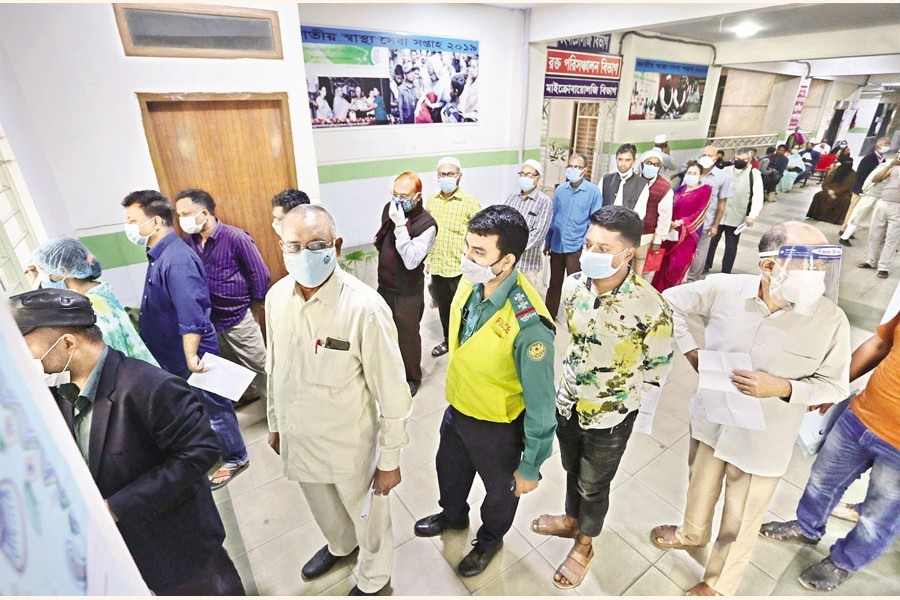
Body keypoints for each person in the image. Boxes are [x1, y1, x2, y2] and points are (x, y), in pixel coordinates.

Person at [649, 222, 851, 596]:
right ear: (769, 266)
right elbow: (671, 301)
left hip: (764, 438)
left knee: (741, 517)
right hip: (713, 417)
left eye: (822, 266)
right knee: (700, 485)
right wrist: (692, 348)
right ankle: (692, 532)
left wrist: (786, 388)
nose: (817, 276)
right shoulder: (725, 289)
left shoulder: (830, 320)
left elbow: (835, 384)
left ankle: (719, 583)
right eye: (807, 264)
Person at [10, 289, 245, 595]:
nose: (25, 361)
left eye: (27, 349)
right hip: (133, 556)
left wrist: (116, 507)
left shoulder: (150, 387)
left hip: (183, 553)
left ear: (68, 342)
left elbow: (197, 456)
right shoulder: (64, 395)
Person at [265, 205, 412, 596]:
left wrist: (390, 460)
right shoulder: (277, 297)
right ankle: (341, 547)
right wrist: (276, 423)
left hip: (350, 444)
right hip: (300, 436)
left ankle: (374, 578)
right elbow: (273, 366)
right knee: (324, 509)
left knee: (369, 518)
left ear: (338, 246)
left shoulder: (364, 308)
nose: (304, 254)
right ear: (281, 247)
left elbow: (394, 394)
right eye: (293, 246)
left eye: (316, 245)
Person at [530, 206, 674, 589]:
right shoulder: (576, 286)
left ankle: (585, 543)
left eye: (602, 247)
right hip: (569, 401)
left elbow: (658, 366)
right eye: (588, 244)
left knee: (594, 484)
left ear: (628, 253)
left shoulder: (651, 306)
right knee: (572, 469)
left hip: (610, 414)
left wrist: (618, 395)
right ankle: (572, 519)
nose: (589, 253)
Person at [413, 205, 557, 577]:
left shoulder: (530, 326)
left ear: (507, 260)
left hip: (497, 426)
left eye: (479, 252)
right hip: (457, 409)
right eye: (467, 247)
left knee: (498, 495)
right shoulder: (470, 280)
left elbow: (542, 404)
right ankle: (453, 516)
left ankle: (490, 539)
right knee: (449, 473)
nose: (468, 258)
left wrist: (532, 464)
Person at [758, 293, 900, 592]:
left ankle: (843, 562)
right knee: (822, 480)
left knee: (878, 516)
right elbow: (880, 344)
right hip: (860, 416)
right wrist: (833, 387)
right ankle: (807, 527)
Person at [121, 190, 249, 489]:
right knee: (202, 407)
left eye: (132, 221)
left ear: (154, 222)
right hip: (176, 354)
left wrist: (192, 357)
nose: (128, 227)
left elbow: (191, 311)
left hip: (191, 354)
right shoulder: (160, 254)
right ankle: (219, 451)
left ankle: (235, 456)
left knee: (215, 408)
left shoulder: (176, 259)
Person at [175, 189, 271, 408]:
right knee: (229, 363)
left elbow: (259, 273)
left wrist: (254, 304)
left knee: (258, 364)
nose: (182, 220)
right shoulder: (187, 243)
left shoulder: (235, 237)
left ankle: (276, 410)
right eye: (179, 215)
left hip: (238, 315)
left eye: (186, 214)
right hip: (210, 320)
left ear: (205, 212)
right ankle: (248, 394)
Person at [26, 236, 158, 365]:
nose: (42, 277)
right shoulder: (98, 292)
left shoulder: (91, 308)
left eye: (43, 270)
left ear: (63, 271)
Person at [374, 172, 438, 397]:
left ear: (417, 196)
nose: (398, 200)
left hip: (407, 291)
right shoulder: (389, 209)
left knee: (407, 336)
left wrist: (401, 226)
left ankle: (412, 376)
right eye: (394, 194)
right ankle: (391, 370)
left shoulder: (427, 225)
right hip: (385, 284)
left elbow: (412, 261)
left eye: (404, 195)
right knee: (385, 331)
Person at [425, 156, 481, 357]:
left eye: (450, 174)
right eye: (442, 174)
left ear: (459, 176)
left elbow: (480, 236)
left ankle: (466, 341)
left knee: (465, 308)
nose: (446, 178)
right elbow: (428, 234)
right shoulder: (431, 201)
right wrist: (428, 260)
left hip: (460, 268)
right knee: (445, 309)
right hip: (439, 265)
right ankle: (448, 340)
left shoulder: (470, 203)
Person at [544, 153, 603, 319]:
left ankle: (575, 319)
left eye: (577, 167)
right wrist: (548, 241)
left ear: (585, 169)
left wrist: (587, 245)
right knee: (554, 284)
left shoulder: (593, 192)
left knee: (575, 285)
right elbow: (553, 218)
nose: (572, 170)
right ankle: (549, 315)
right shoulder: (561, 190)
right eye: (570, 166)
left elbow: (594, 222)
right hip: (557, 245)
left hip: (577, 246)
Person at [651, 163, 713, 293]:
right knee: (663, 266)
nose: (690, 176)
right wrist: (668, 222)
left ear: (701, 176)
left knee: (676, 267)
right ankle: (658, 293)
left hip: (687, 236)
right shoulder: (681, 189)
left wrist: (680, 223)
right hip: (671, 232)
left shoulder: (705, 190)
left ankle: (671, 295)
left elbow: (700, 213)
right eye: (689, 173)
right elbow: (669, 206)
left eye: (694, 173)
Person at [705, 147, 763, 274]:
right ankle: (706, 264)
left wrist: (752, 215)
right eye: (737, 159)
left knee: (731, 245)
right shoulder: (725, 170)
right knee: (711, 241)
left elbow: (758, 196)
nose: (739, 162)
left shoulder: (754, 174)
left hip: (738, 215)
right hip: (719, 214)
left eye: (743, 159)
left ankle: (726, 270)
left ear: (749, 160)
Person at [503, 159, 553, 291]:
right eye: (522, 174)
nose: (524, 177)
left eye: (529, 175)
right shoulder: (512, 197)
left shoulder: (544, 202)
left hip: (527, 265)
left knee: (523, 303)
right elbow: (502, 223)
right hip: (506, 262)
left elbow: (537, 236)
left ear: (538, 179)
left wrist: (513, 249)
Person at [685, 147, 732, 282]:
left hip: (705, 222)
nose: (705, 157)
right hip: (686, 222)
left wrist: (715, 224)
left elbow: (722, 203)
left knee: (700, 254)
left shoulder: (722, 177)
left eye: (709, 155)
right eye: (703, 154)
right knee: (682, 252)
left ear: (715, 158)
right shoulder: (692, 172)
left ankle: (692, 281)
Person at [840, 137, 893, 240]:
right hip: (860, 188)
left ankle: (849, 231)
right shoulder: (869, 158)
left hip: (870, 190)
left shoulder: (883, 160)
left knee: (859, 212)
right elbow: (860, 174)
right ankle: (844, 228)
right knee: (853, 209)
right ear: (878, 144)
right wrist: (861, 189)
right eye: (884, 143)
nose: (886, 146)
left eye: (888, 144)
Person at [631, 148, 673, 277]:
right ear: (642, 163)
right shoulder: (632, 180)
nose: (652, 166)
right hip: (628, 233)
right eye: (649, 163)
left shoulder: (664, 188)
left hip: (647, 236)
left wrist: (658, 240)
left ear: (660, 167)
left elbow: (665, 217)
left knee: (640, 272)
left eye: (656, 165)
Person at [858, 153, 900, 278]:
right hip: (883, 203)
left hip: (897, 207)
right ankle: (871, 261)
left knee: (892, 239)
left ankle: (884, 267)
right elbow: (875, 179)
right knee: (874, 234)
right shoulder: (893, 167)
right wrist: (890, 166)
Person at [600, 144, 649, 217]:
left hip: (627, 226)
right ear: (616, 159)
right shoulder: (605, 179)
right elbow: (597, 206)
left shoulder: (642, 184)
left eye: (627, 160)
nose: (623, 164)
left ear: (634, 160)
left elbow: (640, 214)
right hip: (604, 225)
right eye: (620, 159)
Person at [806, 157, 856, 224]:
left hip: (843, 193)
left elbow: (848, 186)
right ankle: (816, 215)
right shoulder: (835, 172)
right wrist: (829, 190)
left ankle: (838, 220)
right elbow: (825, 183)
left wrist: (835, 192)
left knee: (845, 200)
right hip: (829, 190)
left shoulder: (853, 174)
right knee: (818, 195)